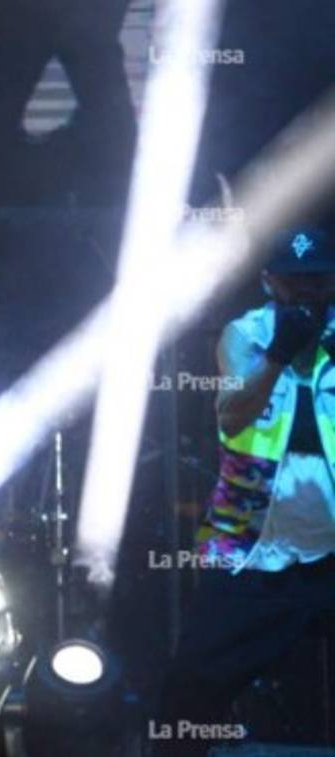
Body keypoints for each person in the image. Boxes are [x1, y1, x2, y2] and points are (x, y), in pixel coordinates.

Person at [154, 228, 335, 756]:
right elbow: (231, 418)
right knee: (190, 687)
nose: (307, 293)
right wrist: (279, 356)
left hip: (329, 549)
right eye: (294, 282)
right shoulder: (244, 336)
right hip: (248, 548)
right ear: (268, 282)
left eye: (318, 281)